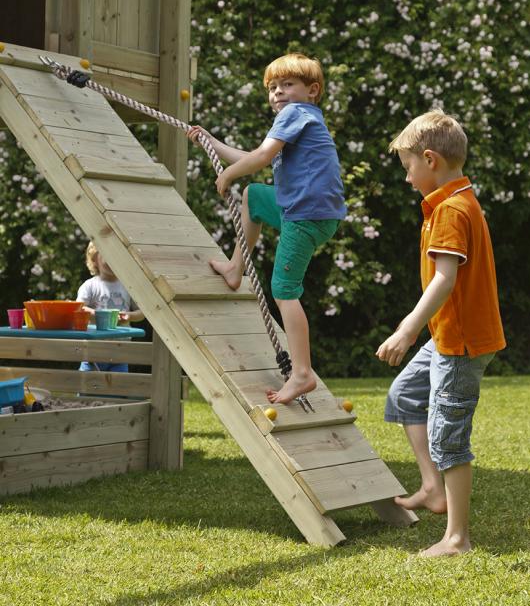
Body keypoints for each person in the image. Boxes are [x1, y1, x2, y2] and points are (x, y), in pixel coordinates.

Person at [376, 109, 506, 557]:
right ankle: (433, 489)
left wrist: (407, 329)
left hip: (461, 343)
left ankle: (457, 538)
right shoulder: (453, 201)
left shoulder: (451, 210)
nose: (408, 177)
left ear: (430, 159)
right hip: (449, 336)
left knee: (448, 437)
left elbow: (445, 278)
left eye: (409, 167)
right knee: (406, 396)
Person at [188, 53, 346, 404]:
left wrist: (227, 174)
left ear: (312, 90)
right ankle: (235, 267)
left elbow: (258, 158)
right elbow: (257, 154)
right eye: (273, 87)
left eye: (288, 85)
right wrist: (210, 143)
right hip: (308, 211)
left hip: (306, 215)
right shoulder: (301, 121)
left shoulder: (295, 114)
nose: (278, 93)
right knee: (255, 196)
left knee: (285, 290)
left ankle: (302, 373)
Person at [77, 241, 144, 372]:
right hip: (92, 352)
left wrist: (129, 316)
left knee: (118, 387)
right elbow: (79, 308)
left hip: (120, 351)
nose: (112, 260)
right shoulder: (90, 285)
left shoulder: (128, 286)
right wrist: (100, 316)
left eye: (116, 256)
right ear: (94, 259)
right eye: (107, 256)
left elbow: (142, 312)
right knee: (86, 386)